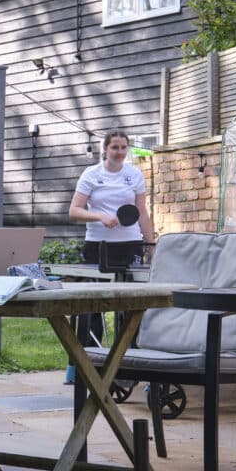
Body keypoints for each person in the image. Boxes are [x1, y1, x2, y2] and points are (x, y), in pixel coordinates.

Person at [66, 129, 155, 383]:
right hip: (98, 246)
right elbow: (74, 210)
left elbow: (142, 211)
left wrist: (150, 244)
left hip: (130, 245)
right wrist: (100, 216)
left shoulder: (134, 175)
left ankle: (131, 359)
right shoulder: (91, 175)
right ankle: (80, 364)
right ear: (105, 149)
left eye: (124, 147)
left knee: (132, 304)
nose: (120, 152)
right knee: (91, 306)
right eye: (115, 147)